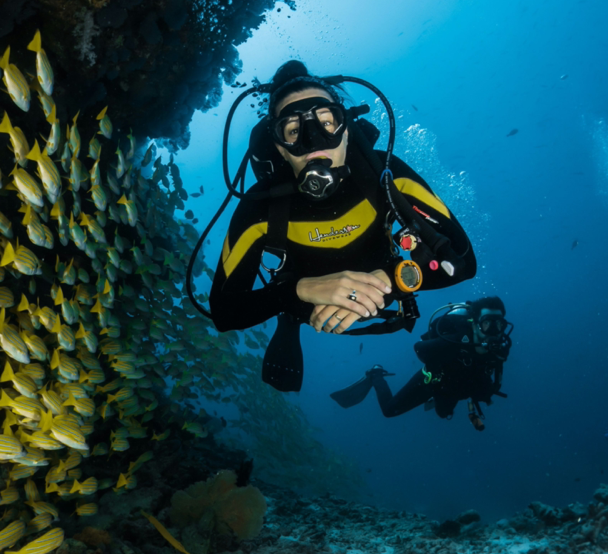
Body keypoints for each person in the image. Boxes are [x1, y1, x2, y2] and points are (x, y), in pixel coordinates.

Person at [207, 61, 477, 391]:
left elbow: (463, 260)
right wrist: (298, 291)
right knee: (289, 308)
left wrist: (392, 280)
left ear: (346, 129)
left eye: (326, 122)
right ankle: (289, 319)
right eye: (293, 131)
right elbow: (225, 312)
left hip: (387, 284)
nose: (313, 141)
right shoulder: (260, 206)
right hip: (303, 303)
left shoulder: (387, 175)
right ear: (279, 147)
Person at [331, 297, 512, 431]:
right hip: (432, 382)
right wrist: (439, 367)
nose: (494, 331)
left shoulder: (498, 350)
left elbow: (493, 381)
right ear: (474, 323)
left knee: (443, 414)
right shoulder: (457, 339)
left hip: (458, 388)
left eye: (499, 325)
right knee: (389, 410)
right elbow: (419, 348)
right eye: (488, 323)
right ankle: (375, 374)